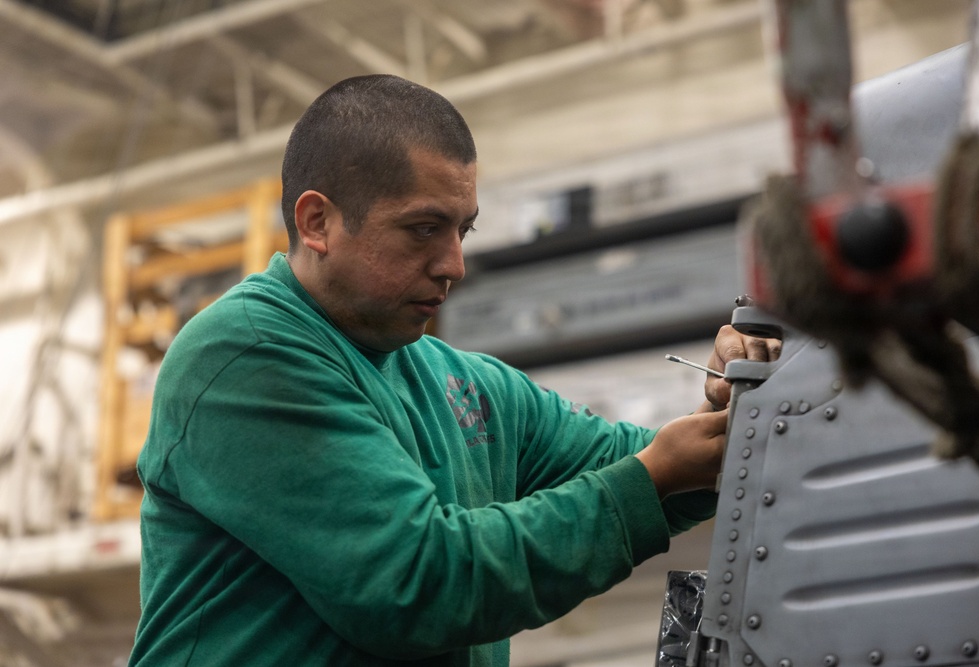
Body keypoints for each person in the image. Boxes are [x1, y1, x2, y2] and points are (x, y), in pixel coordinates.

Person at [128, 74, 778, 666]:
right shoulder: (245, 354)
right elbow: (414, 583)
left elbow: (641, 465)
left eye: (462, 230)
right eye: (423, 230)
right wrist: (658, 472)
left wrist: (736, 413)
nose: (454, 265)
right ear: (317, 220)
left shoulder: (468, 386)